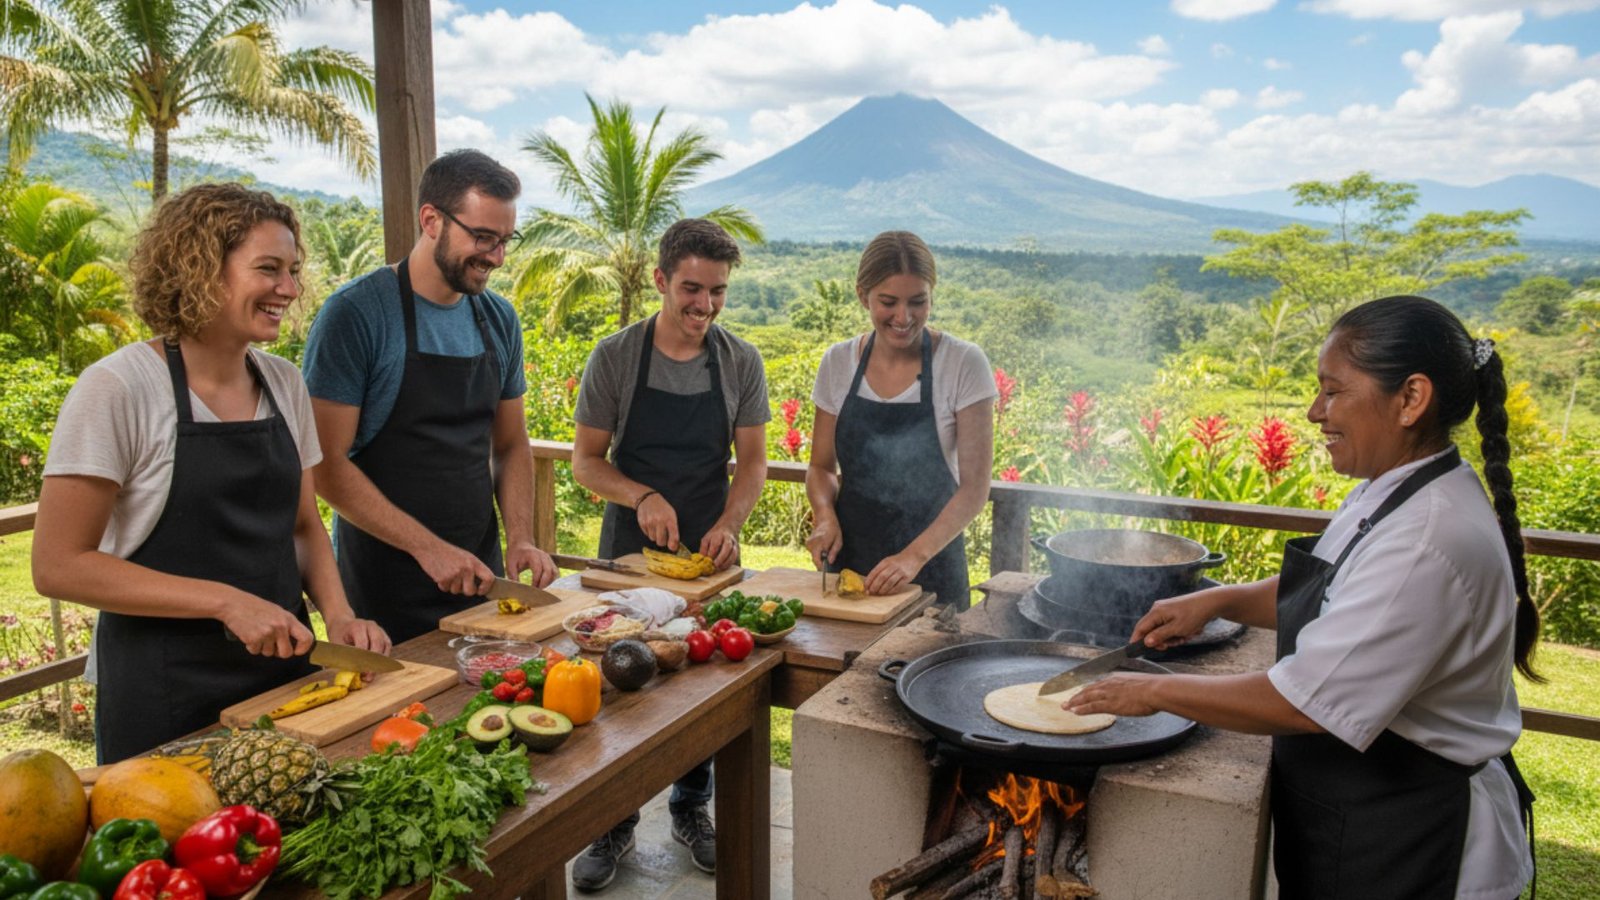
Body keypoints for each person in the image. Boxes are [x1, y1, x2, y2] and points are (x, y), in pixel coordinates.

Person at [1066, 295, 1537, 899]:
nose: (1316, 412)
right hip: (1360, 813)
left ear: (1411, 399)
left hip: (1414, 841)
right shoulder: (1392, 490)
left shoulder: (1427, 540)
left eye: (1334, 391)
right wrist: (1220, 600)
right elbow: (1330, 589)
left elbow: (1304, 704)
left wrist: (1151, 688)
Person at [32, 183, 391, 764]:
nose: (291, 290)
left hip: (285, 681)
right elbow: (57, 565)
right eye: (269, 269)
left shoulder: (284, 383)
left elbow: (302, 527)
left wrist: (340, 614)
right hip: (162, 691)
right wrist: (225, 601)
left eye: (293, 271)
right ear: (200, 269)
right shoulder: (118, 388)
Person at [568, 218, 770, 889]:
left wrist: (732, 522)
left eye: (716, 292)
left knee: (698, 689)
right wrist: (641, 494)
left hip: (704, 558)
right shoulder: (616, 357)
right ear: (660, 281)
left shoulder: (740, 361)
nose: (704, 306)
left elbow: (752, 464)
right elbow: (586, 465)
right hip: (628, 554)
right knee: (620, 690)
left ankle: (691, 810)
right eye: (691, 289)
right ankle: (612, 823)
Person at [303, 150, 557, 645]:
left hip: (480, 579)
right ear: (431, 220)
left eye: (505, 240)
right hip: (382, 591)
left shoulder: (499, 319)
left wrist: (521, 539)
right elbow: (324, 466)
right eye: (483, 237)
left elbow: (509, 445)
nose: (496, 256)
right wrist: (428, 548)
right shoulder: (357, 315)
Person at [805, 231, 995, 608]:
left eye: (918, 302)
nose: (904, 318)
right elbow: (820, 467)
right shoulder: (838, 362)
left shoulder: (963, 363)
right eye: (888, 302)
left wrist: (912, 557)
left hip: (933, 573)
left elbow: (974, 489)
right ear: (863, 296)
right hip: (849, 572)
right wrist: (824, 514)